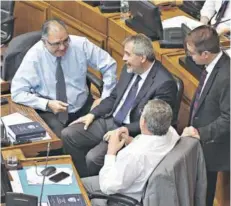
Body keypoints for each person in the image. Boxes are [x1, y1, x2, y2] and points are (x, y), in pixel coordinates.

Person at [61, 33, 177, 177]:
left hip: (130, 130)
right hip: (110, 119)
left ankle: (92, 187)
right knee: (68, 134)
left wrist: (122, 130)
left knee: (93, 158)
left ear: (142, 58)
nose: (123, 58)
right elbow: (114, 97)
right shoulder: (129, 69)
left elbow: (153, 122)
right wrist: (93, 114)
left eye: (128, 54)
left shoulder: (164, 84)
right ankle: (81, 178)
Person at [11, 19, 117, 137]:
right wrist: (46, 104)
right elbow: (17, 92)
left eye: (66, 41)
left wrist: (105, 98)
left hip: (83, 106)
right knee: (56, 140)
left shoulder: (80, 45)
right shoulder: (34, 56)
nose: (62, 47)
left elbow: (109, 64)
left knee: (100, 132)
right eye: (56, 43)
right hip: (50, 111)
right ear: (44, 42)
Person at [82, 99, 180, 206]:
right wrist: (130, 140)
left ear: (143, 122)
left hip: (123, 196)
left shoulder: (134, 154)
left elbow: (107, 186)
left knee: (79, 185)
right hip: (140, 186)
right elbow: (152, 147)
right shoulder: (171, 133)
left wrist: (111, 152)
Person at [181, 25, 230, 206]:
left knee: (204, 196)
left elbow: (229, 119)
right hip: (201, 139)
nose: (190, 56)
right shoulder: (212, 65)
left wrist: (201, 133)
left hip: (213, 145)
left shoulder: (227, 76)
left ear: (206, 54)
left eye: (192, 53)